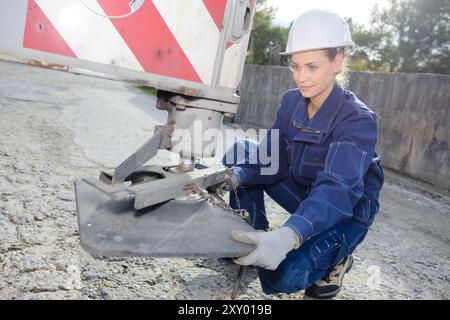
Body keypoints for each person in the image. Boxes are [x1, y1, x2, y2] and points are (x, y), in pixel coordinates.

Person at [221, 9, 384, 299]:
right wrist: (234, 176)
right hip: (305, 192)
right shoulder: (291, 101)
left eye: (311, 66)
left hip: (345, 210)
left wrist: (289, 236)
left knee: (281, 276)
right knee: (239, 153)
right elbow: (272, 159)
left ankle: (338, 258)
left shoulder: (358, 119)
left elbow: (336, 191)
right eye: (295, 66)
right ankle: (252, 237)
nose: (301, 77)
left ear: (337, 61)